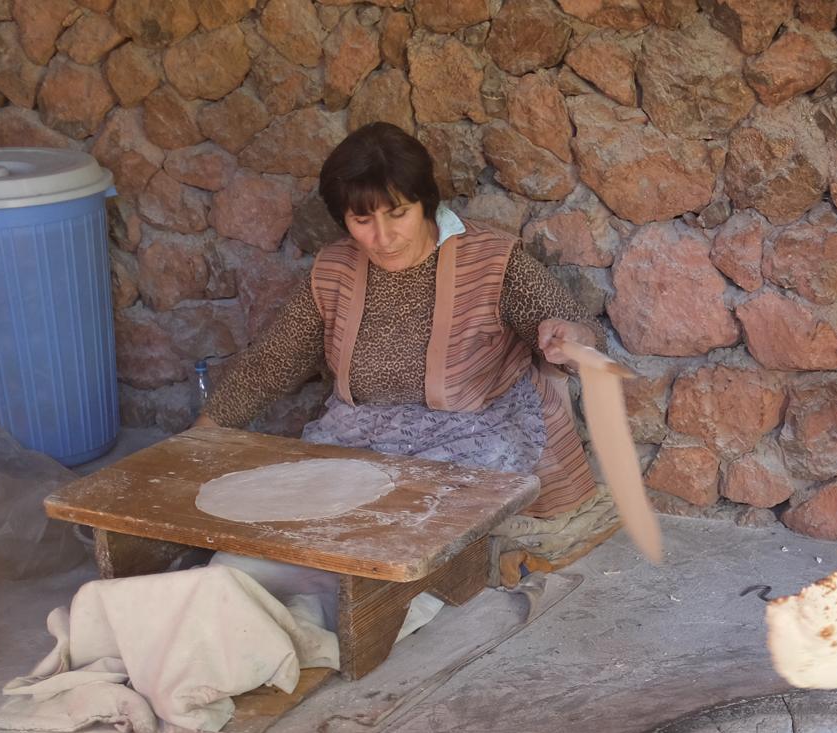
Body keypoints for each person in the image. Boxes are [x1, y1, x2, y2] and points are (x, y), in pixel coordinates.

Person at [195, 122, 615, 567]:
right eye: (362, 220)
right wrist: (205, 431)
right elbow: (273, 362)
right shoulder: (334, 269)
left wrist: (572, 341)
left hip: (473, 434)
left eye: (398, 213)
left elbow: (585, 333)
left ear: (425, 204)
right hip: (361, 437)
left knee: (405, 537)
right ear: (344, 221)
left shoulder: (492, 259)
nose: (383, 236)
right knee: (310, 533)